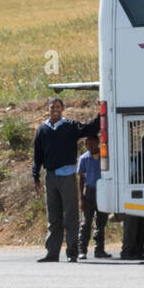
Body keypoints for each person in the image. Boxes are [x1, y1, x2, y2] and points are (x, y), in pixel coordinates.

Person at [32, 97, 99, 262]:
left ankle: (72, 253)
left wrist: (101, 115)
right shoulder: (42, 130)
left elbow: (91, 128)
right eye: (52, 106)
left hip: (67, 176)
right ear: (47, 109)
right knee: (53, 217)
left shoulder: (70, 126)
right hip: (51, 177)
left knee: (70, 216)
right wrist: (36, 177)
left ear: (62, 108)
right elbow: (37, 156)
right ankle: (52, 253)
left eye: (58, 106)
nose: (55, 109)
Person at [76, 132, 110, 259]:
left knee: (101, 222)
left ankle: (99, 250)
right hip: (89, 191)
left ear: (98, 142)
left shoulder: (104, 156)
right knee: (86, 222)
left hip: (102, 190)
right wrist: (81, 197)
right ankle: (82, 250)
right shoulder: (84, 158)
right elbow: (81, 178)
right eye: (86, 143)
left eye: (91, 142)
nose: (89, 145)